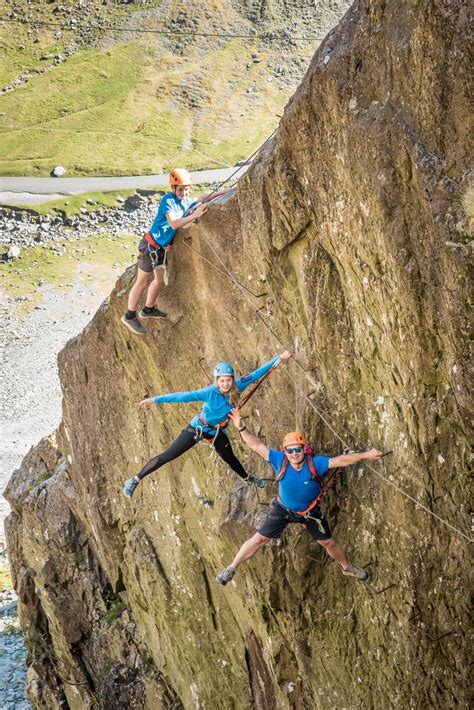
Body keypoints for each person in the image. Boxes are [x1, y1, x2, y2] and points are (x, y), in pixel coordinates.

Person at [215, 411, 384, 585]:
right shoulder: (279, 460)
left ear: (304, 449)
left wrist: (366, 455)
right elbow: (256, 445)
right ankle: (232, 567)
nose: (294, 453)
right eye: (290, 450)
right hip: (283, 509)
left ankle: (346, 567)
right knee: (259, 539)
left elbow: (341, 460)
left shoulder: (316, 464)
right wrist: (241, 427)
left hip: (309, 512)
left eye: (297, 449)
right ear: (285, 451)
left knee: (329, 543)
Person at [123, 351, 292, 498]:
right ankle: (134, 480)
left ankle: (248, 478)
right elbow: (181, 396)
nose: (226, 384)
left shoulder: (237, 386)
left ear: (232, 380)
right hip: (198, 428)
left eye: (228, 381)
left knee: (229, 458)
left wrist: (280, 357)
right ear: (217, 381)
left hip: (216, 432)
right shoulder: (208, 393)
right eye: (222, 381)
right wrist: (155, 400)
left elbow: (257, 374)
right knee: (169, 455)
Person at [121, 168, 227, 335]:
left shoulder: (185, 201)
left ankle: (148, 309)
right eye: (180, 190)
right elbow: (174, 223)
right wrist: (194, 215)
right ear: (173, 189)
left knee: (159, 281)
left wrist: (225, 191)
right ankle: (129, 315)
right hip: (150, 246)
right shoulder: (168, 200)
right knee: (142, 281)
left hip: (160, 250)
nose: (183, 193)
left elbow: (202, 198)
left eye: (186, 189)